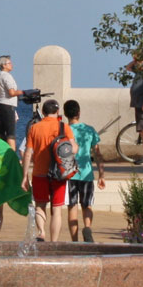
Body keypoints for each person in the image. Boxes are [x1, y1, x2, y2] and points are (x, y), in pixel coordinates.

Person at [23, 98, 75, 243]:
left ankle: (41, 232)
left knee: (40, 205)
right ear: (57, 112)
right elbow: (74, 148)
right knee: (57, 210)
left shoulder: (35, 128)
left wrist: (24, 176)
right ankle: (54, 242)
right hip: (59, 174)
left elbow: (28, 153)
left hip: (39, 173)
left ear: (43, 112)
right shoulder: (64, 127)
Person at [64, 100, 105, 242]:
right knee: (87, 205)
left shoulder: (64, 131)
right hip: (87, 173)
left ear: (65, 114)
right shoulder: (89, 130)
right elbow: (98, 154)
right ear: (79, 113)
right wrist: (101, 175)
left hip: (70, 173)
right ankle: (87, 227)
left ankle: (74, 241)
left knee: (72, 206)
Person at [0, 55, 21, 146]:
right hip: (8, 105)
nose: (11, 65)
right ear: (3, 65)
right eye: (9, 63)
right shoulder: (7, 76)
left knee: (1, 131)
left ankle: (1, 151)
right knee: (10, 132)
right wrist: (23, 92)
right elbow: (11, 93)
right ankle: (11, 155)